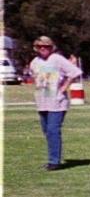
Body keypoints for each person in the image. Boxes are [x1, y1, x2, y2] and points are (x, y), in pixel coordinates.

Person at [29, 36, 83, 170]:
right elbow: (33, 76)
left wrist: (64, 87)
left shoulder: (57, 59)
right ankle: (52, 158)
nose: (43, 48)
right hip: (42, 100)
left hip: (57, 101)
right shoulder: (35, 62)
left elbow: (74, 72)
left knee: (53, 130)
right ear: (36, 48)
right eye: (40, 46)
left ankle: (54, 162)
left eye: (46, 46)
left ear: (51, 47)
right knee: (47, 131)